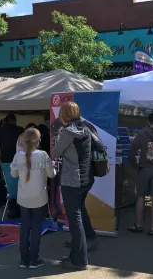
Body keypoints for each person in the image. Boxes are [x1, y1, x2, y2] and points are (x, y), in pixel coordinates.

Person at [52, 101, 104, 271]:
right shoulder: (86, 129)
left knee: (74, 219)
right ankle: (86, 240)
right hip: (86, 178)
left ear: (64, 115)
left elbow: (56, 153)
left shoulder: (67, 132)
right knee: (79, 210)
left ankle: (80, 260)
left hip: (72, 180)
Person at [10, 128, 56, 269]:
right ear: (38, 141)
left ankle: (24, 260)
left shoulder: (18, 155)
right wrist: (52, 167)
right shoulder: (43, 155)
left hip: (23, 197)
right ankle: (34, 260)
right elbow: (52, 174)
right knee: (36, 228)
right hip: (39, 197)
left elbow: (13, 175)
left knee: (24, 227)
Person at [128, 112, 153, 236]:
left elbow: (131, 152)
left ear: (148, 121)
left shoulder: (141, 134)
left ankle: (138, 225)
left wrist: (136, 166)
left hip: (144, 169)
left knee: (140, 197)